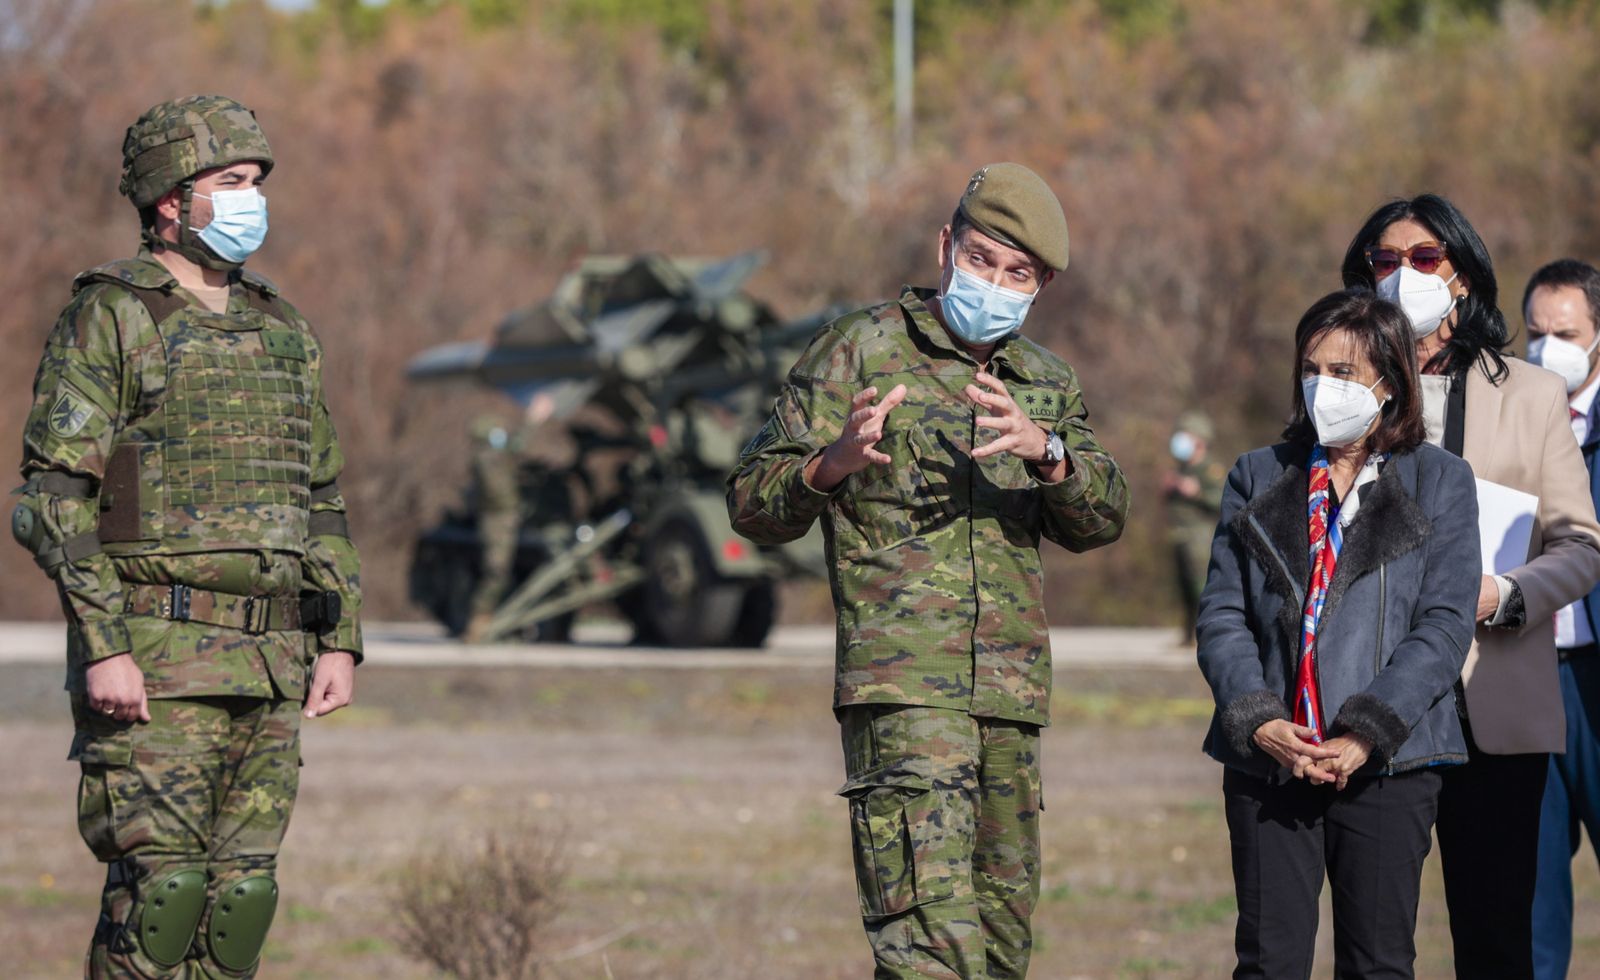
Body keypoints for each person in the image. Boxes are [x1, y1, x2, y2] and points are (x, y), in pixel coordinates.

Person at [727, 162, 1128, 978]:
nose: (994, 283)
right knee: (930, 956)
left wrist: (1048, 454)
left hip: (1010, 703)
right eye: (980, 259)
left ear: (1042, 284)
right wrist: (830, 464)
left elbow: (1104, 518)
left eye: (1018, 274)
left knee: (1000, 951)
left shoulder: (1043, 383)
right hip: (903, 697)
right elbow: (749, 504)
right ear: (946, 246)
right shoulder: (860, 350)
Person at [10, 96, 363, 977]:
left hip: (273, 661)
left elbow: (320, 498)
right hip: (157, 661)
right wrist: (104, 647)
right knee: (157, 911)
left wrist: (340, 638)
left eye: (256, 184)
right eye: (232, 182)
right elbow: (52, 498)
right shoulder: (115, 314)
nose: (253, 201)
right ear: (171, 199)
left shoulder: (285, 329)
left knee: (238, 909)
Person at [1340, 195, 1600, 979]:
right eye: (1385, 261)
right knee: (1375, 946)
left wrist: (1506, 595)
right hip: (1378, 710)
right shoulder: (1344, 385)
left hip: (1494, 705)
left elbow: (1581, 546)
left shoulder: (1530, 394)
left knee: (1499, 944)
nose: (1402, 275)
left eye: (1423, 259)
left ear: (1462, 275)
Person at [1197, 288, 1480, 978]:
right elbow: (1222, 616)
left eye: (1345, 372)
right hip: (1272, 762)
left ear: (1390, 380)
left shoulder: (1440, 481)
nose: (1325, 386)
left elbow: (1442, 625)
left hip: (1388, 765)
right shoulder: (1258, 474)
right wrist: (1259, 721)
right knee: (1268, 961)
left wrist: (1366, 731)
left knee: (1378, 961)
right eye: (1313, 368)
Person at [1522, 258, 1600, 979]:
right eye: (1536, 333)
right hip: (1526, 680)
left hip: (1596, 680)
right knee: (1529, 895)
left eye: (1567, 332)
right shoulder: (1511, 418)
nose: (1549, 348)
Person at [1162, 410, 1225, 642]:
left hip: (1202, 538)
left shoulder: (1210, 470)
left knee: (1202, 588)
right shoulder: (1181, 469)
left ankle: (1206, 635)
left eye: (1186, 434)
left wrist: (1197, 492)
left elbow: (1223, 501)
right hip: (1181, 536)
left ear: (1200, 440)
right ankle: (1188, 636)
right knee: (1185, 587)